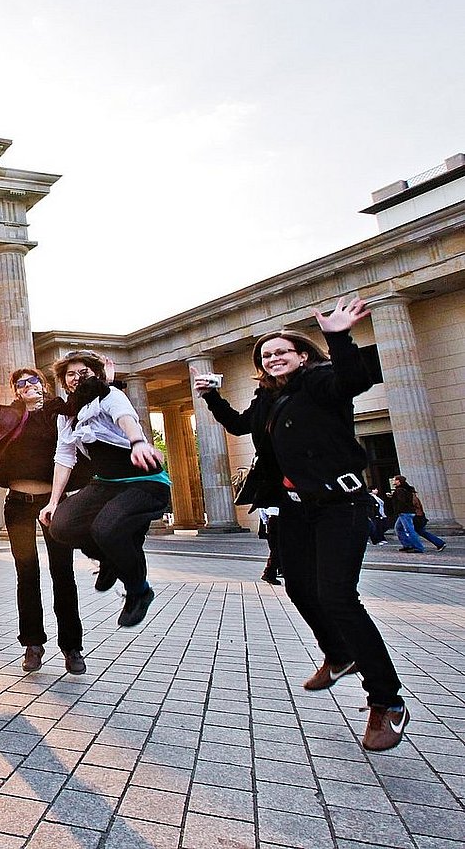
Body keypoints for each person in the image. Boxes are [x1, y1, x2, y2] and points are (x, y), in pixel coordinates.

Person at [193, 297, 410, 751]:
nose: (272, 358)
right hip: (294, 508)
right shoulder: (267, 399)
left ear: (303, 355)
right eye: (266, 355)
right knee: (298, 588)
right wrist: (212, 396)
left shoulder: (322, 382)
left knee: (338, 596)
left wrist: (339, 334)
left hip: (341, 506)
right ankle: (339, 653)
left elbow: (352, 378)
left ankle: (386, 701)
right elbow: (237, 426)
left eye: (281, 352)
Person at [41, 352, 168, 630]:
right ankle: (108, 559)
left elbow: (126, 418)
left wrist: (137, 443)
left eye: (83, 372)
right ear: (64, 382)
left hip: (145, 482)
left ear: (96, 375)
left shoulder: (110, 395)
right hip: (106, 484)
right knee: (61, 526)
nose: (77, 378)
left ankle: (138, 590)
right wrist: (52, 502)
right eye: (70, 374)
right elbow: (64, 458)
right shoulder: (68, 416)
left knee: (106, 529)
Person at [0, 366, 87, 674]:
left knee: (62, 573)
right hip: (18, 505)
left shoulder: (56, 410)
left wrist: (96, 380)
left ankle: (72, 647)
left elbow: (82, 403)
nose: (26, 386)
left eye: (32, 381)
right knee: (27, 573)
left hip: (53, 503)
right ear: (15, 390)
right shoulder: (10, 415)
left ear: (42, 384)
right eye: (20, 383)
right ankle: (33, 645)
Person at [390, 475, 423, 553]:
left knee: (409, 530)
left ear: (399, 481)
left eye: (395, 480)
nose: (394, 482)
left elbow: (402, 501)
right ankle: (407, 545)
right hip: (407, 511)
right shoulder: (407, 489)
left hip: (404, 512)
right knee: (398, 528)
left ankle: (418, 547)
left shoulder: (400, 490)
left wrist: (394, 498)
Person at [257, 506, 282, 585]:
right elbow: (261, 507)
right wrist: (265, 522)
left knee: (278, 549)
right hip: (276, 519)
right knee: (277, 549)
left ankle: (272, 572)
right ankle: (269, 573)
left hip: (276, 519)